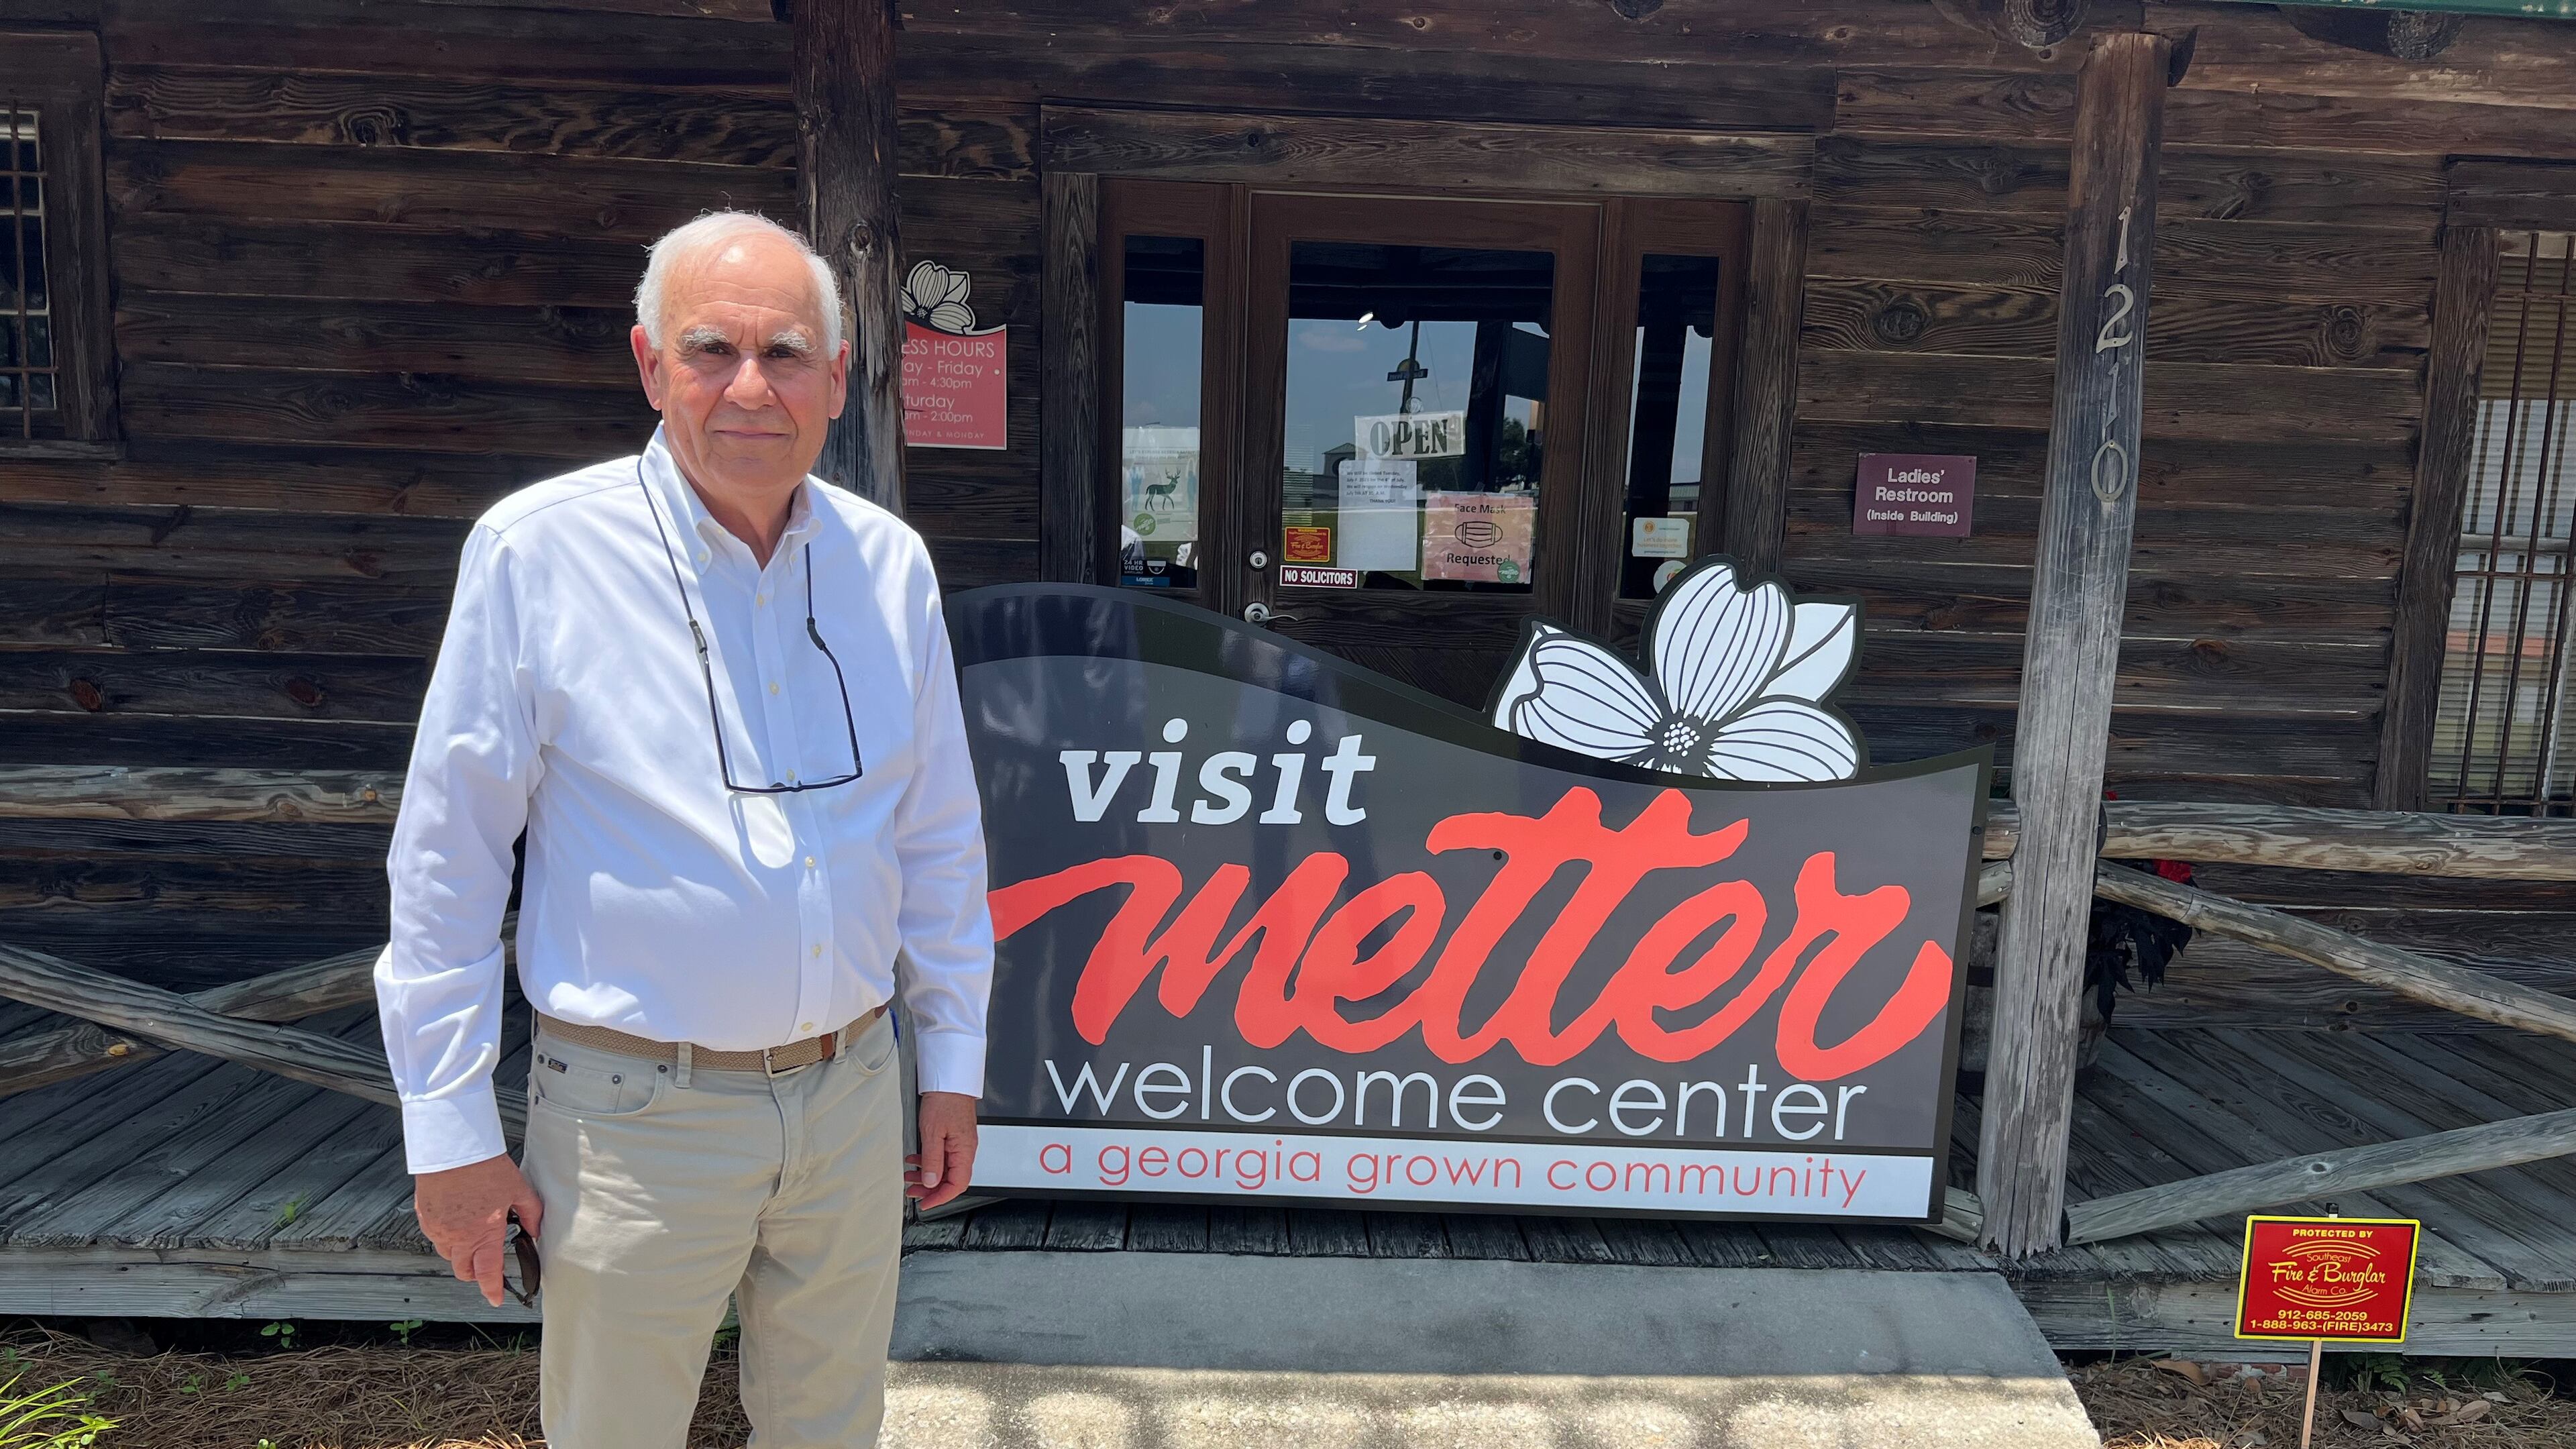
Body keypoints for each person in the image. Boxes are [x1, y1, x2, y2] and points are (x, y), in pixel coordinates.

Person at [374, 209, 993, 1449]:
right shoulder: (539, 554)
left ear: (840, 374)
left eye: (790, 353)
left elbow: (936, 834)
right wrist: (447, 1136)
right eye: (713, 350)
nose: (752, 388)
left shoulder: (891, 566)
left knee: (832, 1430)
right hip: (632, 1119)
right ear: (652, 366)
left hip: (853, 1094)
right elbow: (447, 863)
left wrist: (953, 1060)